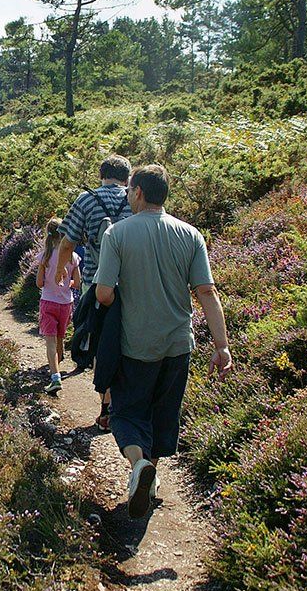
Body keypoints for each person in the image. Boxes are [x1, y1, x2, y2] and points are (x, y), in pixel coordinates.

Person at [93, 164, 233, 519]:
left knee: (126, 412)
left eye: (129, 191)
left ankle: (139, 465)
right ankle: (150, 481)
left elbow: (104, 293)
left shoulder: (117, 235)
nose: (126, 195)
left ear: (138, 191)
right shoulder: (191, 235)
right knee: (161, 414)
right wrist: (222, 345)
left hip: (135, 346)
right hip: (178, 346)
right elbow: (207, 292)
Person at [55, 154, 133, 421]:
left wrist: (59, 272)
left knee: (102, 342)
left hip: (96, 282)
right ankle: (127, 400)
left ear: (102, 175)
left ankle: (105, 401)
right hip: (132, 284)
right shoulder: (136, 199)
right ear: (127, 177)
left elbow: (67, 242)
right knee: (128, 341)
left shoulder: (87, 199)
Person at [36, 218, 81, 394]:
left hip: (48, 302)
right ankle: (58, 364)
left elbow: (39, 283)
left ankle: (55, 377)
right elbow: (77, 283)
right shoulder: (72, 256)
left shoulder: (45, 256)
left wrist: (49, 280)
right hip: (66, 303)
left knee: (50, 341)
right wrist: (66, 283)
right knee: (60, 338)